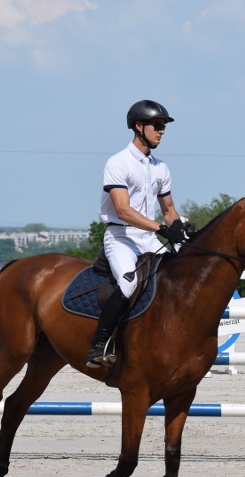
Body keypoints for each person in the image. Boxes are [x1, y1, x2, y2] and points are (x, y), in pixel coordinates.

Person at [86, 99, 187, 368]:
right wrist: (162, 228)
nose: (162, 131)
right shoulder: (118, 163)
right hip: (121, 237)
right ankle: (100, 343)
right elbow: (122, 210)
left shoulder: (160, 167)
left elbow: (168, 210)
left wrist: (177, 226)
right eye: (157, 125)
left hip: (148, 238)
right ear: (139, 126)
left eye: (163, 126)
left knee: (179, 276)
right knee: (129, 283)